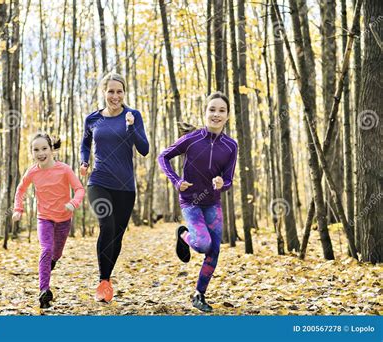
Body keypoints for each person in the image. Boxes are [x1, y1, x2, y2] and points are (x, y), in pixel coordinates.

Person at [157, 92, 237, 312]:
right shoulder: (191, 139)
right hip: (191, 201)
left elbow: (229, 179)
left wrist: (223, 183)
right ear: (205, 112)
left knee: (214, 251)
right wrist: (176, 180)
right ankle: (184, 234)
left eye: (221, 110)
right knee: (202, 244)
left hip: (212, 202)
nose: (216, 114)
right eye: (212, 109)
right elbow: (163, 156)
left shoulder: (231, 146)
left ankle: (199, 294)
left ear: (228, 116)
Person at [80, 72, 149, 303]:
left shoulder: (133, 115)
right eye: (110, 91)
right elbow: (85, 143)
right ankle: (102, 281)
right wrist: (84, 160)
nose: (115, 96)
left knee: (117, 236)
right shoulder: (92, 119)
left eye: (119, 91)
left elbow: (144, 149)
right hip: (99, 181)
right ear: (103, 92)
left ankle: (107, 280)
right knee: (106, 226)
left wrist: (131, 128)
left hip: (126, 186)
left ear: (124, 93)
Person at [12, 133, 85, 308]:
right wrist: (17, 209)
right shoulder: (32, 172)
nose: (40, 153)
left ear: (52, 150)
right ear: (32, 152)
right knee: (46, 249)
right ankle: (44, 291)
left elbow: (79, 189)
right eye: (36, 149)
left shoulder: (64, 169)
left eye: (44, 148)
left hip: (64, 218)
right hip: (44, 218)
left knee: (56, 253)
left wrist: (74, 203)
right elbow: (20, 190)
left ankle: (52, 262)